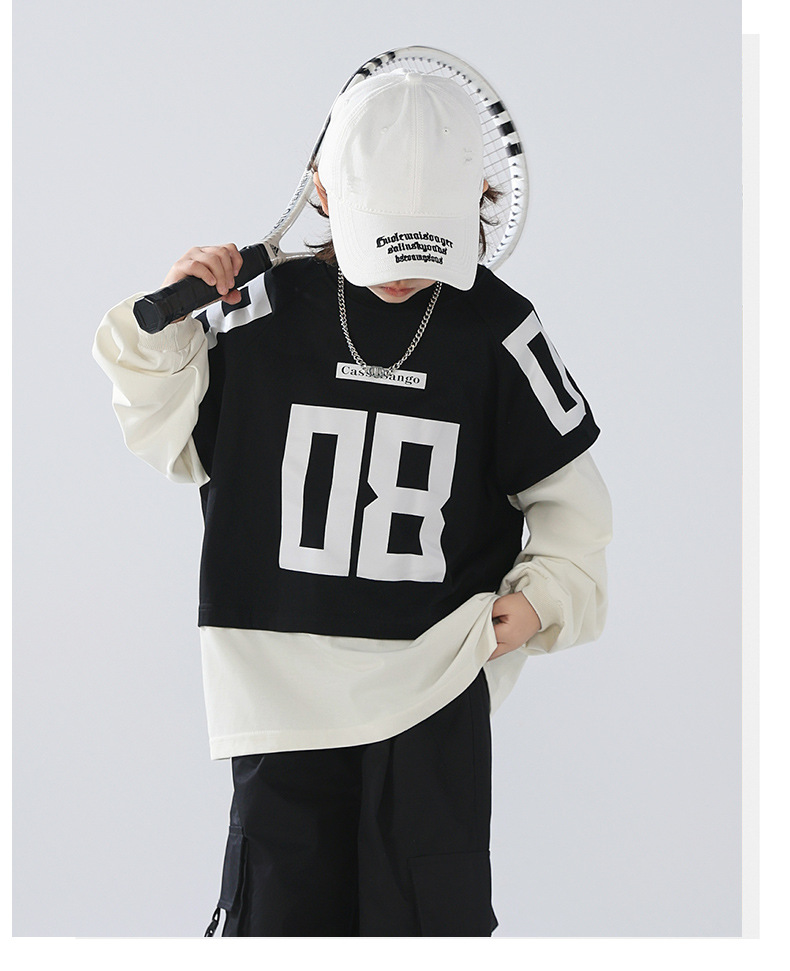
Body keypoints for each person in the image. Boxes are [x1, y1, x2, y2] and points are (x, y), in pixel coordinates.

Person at [93, 68, 612, 937]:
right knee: (279, 919)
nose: (402, 274)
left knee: (429, 922)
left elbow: (575, 503)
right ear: (325, 194)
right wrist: (179, 320)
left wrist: (538, 603)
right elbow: (164, 439)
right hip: (277, 690)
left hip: (433, 686)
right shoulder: (253, 312)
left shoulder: (497, 330)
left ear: (476, 201)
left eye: (426, 244)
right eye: (384, 241)